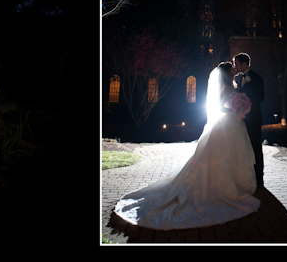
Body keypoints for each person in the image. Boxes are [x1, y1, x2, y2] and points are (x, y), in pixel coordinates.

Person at [113, 62, 260, 230]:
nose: (235, 69)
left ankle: (233, 184)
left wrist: (239, 108)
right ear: (227, 72)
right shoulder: (226, 86)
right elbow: (222, 103)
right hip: (226, 123)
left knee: (228, 155)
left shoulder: (229, 84)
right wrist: (236, 107)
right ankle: (221, 188)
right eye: (232, 68)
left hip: (231, 123)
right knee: (221, 156)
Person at [232, 52, 265, 188]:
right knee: (243, 147)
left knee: (255, 146)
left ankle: (259, 178)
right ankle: (247, 177)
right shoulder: (237, 79)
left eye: (237, 63)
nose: (235, 67)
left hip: (254, 118)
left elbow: (261, 97)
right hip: (240, 119)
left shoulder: (257, 78)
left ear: (244, 64)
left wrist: (246, 100)